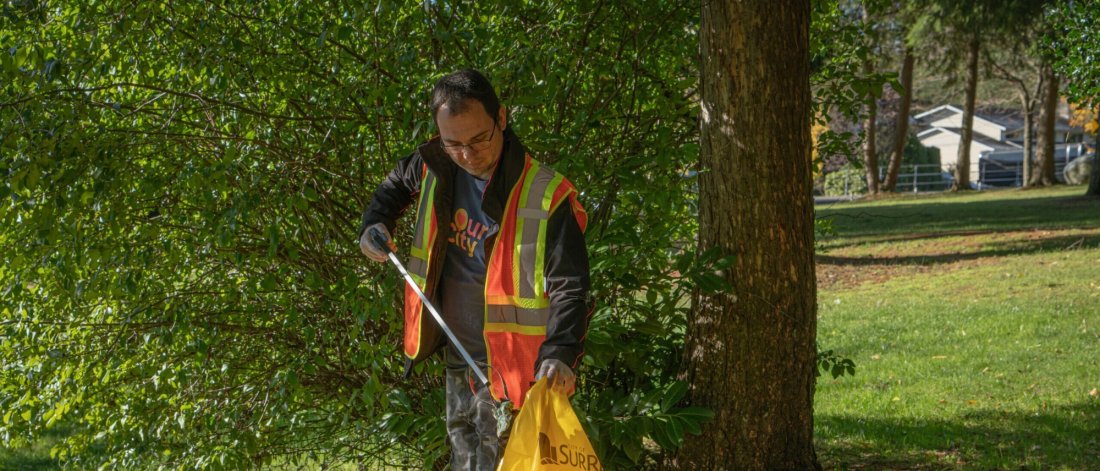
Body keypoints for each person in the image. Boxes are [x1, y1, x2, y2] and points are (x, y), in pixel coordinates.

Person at [357, 69, 592, 471]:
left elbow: (571, 285)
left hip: (515, 370)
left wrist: (562, 352)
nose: (468, 154)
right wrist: (375, 223)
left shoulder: (544, 193)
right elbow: (394, 185)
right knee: (465, 457)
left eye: (479, 138)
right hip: (458, 352)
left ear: (501, 118)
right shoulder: (435, 163)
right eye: (454, 144)